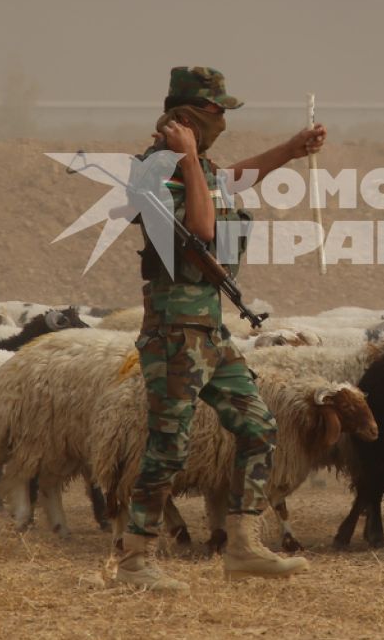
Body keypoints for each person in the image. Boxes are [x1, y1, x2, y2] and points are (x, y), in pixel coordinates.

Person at [115, 65, 326, 592]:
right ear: (189, 115)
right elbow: (203, 231)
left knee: (259, 428)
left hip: (209, 331)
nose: (223, 121)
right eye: (217, 111)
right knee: (169, 445)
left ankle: (243, 545)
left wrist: (291, 151)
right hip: (173, 333)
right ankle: (136, 561)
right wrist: (187, 158)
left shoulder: (197, 166)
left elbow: (231, 180)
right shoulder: (154, 170)